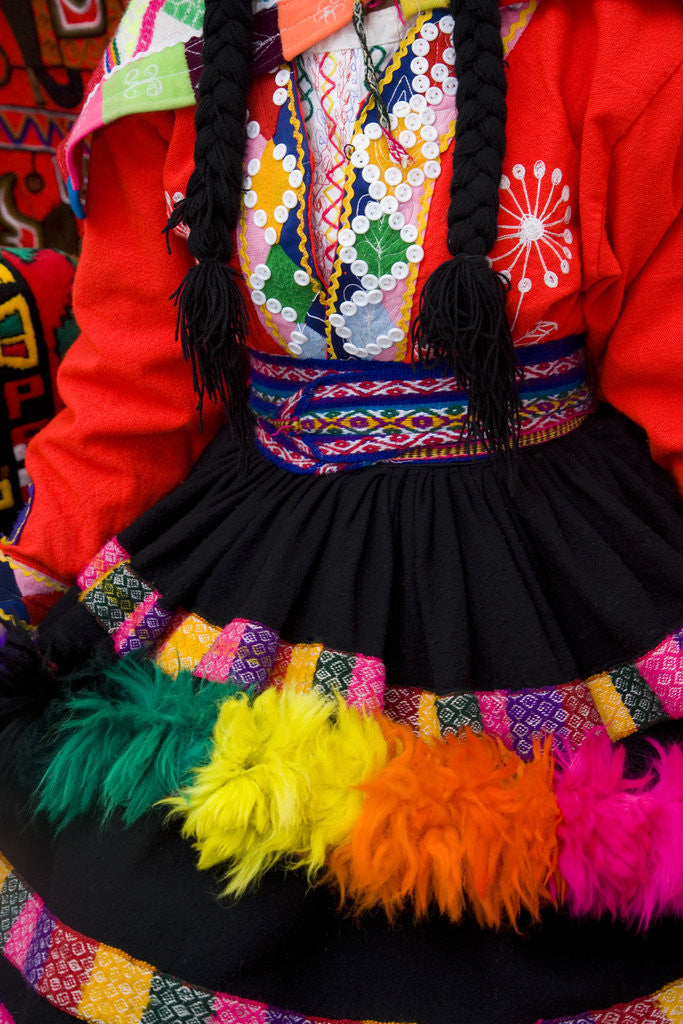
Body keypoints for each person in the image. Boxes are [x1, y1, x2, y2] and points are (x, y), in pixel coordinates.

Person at [0, 0, 682, 1021]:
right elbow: (131, 394)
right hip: (256, 571)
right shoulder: (178, 51)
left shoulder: (619, 46)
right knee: (134, 882)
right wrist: (29, 579)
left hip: (541, 587)